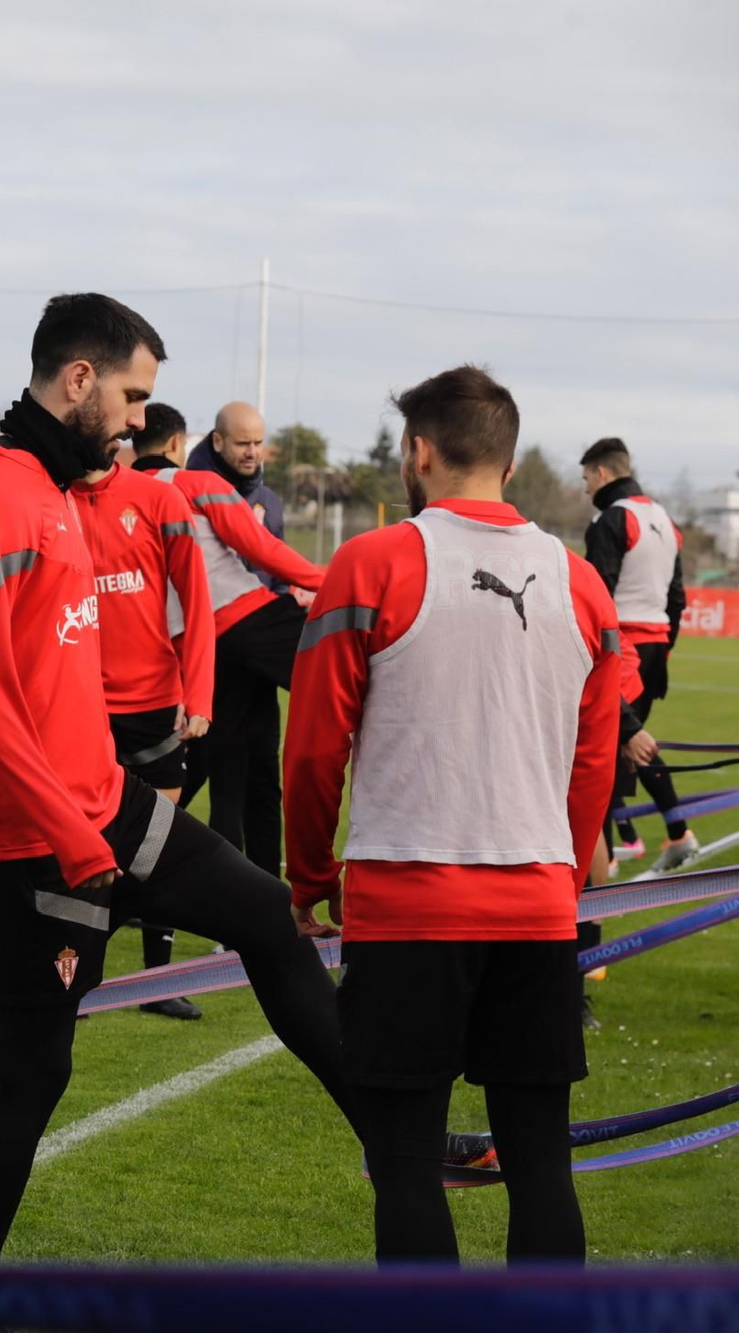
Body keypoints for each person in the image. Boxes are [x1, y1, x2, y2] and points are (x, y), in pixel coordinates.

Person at [0, 293, 356, 1265]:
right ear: (77, 380)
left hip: (109, 806)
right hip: (26, 842)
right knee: (30, 1073)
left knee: (268, 919)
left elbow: (193, 545)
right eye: (130, 396)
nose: (137, 420)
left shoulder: (62, 490)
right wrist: (73, 839)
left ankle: (398, 1146)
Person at [285, 365, 618, 1264]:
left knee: (404, 1165)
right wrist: (565, 863)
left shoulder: (371, 562)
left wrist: (310, 873)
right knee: (543, 1163)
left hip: (406, 910)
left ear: (417, 451)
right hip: (538, 909)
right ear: (508, 466)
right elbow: (594, 764)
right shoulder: (581, 584)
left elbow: (315, 747)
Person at [68, 402, 214, 1018]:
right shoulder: (52, 500)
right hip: (77, 708)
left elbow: (198, 603)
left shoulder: (159, 502)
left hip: (154, 703)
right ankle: (71, 976)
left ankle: (157, 984)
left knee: (153, 849)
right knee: (79, 849)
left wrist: (199, 695)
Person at [146, 408, 324, 876]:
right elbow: (261, 548)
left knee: (234, 780)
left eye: (256, 443)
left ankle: (242, 907)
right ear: (176, 444)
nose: (252, 451)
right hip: (246, 623)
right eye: (243, 442)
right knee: (354, 679)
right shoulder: (195, 482)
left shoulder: (116, 500)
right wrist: (332, 580)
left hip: (197, 649)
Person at [579, 438, 697, 872]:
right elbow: (677, 596)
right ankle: (665, 835)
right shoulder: (664, 519)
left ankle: (672, 833)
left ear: (604, 474)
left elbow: (596, 598)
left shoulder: (613, 518)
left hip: (623, 646)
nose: (586, 486)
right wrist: (665, 650)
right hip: (654, 646)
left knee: (606, 750)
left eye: (587, 477)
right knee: (616, 753)